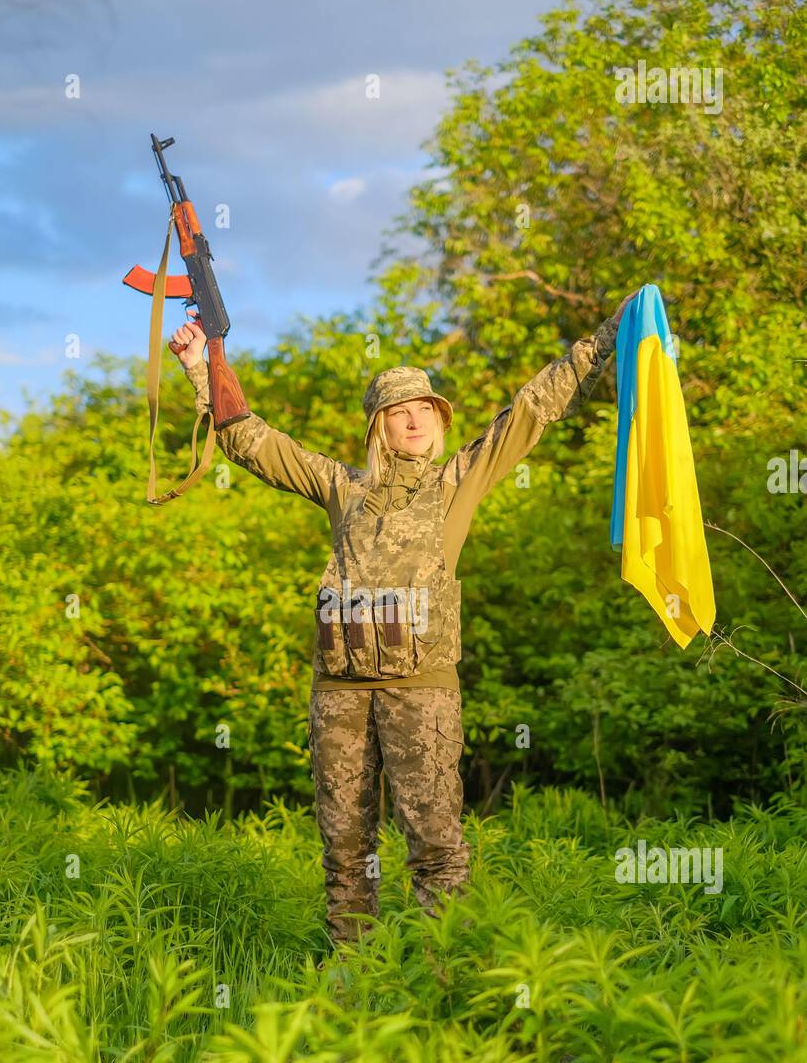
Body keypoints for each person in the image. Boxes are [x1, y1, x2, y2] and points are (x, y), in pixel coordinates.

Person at [173, 291, 637, 946]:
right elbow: (249, 439)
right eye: (401, 412)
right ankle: (352, 980)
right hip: (338, 694)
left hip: (421, 690)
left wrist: (610, 333)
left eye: (425, 410)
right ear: (379, 427)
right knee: (345, 850)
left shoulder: (458, 481)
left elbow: (533, 408)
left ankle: (448, 977)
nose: (416, 421)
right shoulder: (341, 487)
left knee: (436, 846)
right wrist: (202, 364)